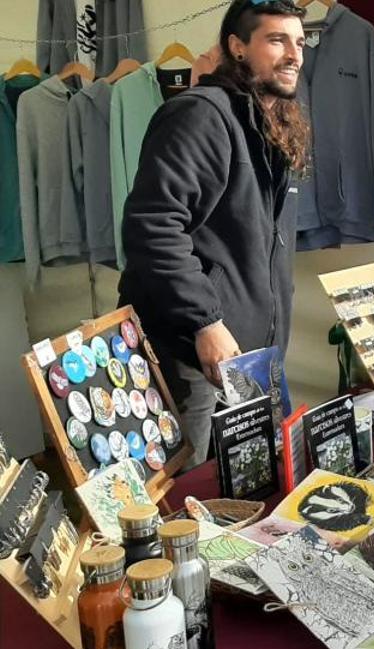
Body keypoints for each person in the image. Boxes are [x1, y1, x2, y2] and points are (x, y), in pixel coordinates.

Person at [118, 0, 308, 468]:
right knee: (184, 485)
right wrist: (205, 322)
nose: (294, 55)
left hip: (248, 356)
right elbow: (153, 226)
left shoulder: (271, 125)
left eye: (300, 42)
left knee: (245, 485)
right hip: (190, 353)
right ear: (237, 47)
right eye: (277, 40)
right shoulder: (200, 115)